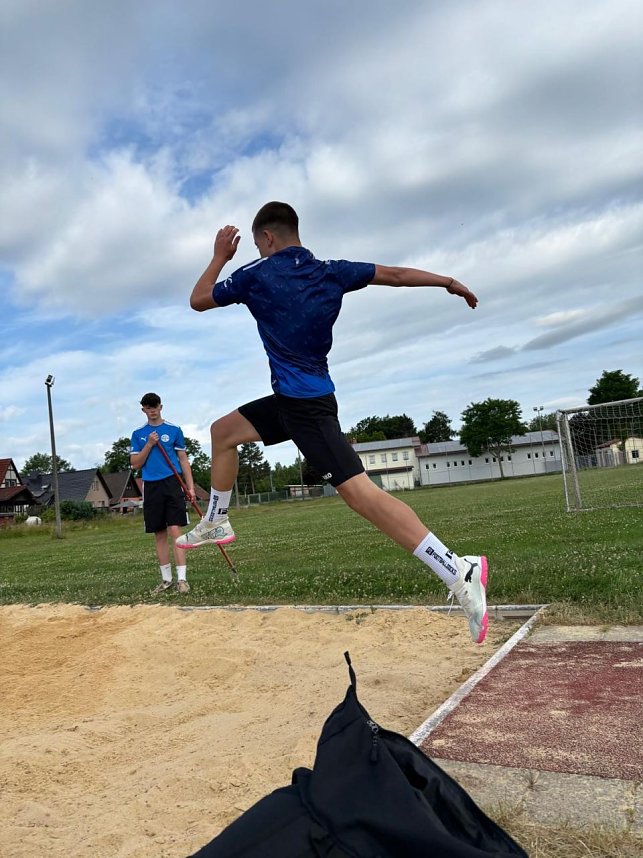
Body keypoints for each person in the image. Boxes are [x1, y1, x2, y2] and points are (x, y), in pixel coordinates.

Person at [176, 202, 488, 643]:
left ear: (266, 238)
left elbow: (198, 299)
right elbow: (396, 275)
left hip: (307, 411)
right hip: (296, 401)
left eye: (259, 244)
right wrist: (448, 282)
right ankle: (217, 520)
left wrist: (219, 257)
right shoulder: (331, 271)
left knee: (362, 496)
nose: (259, 251)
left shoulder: (256, 275)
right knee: (223, 432)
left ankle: (457, 569)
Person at [131, 392, 196, 595]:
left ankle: (182, 580)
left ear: (161, 407)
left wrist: (190, 487)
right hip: (151, 485)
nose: (152, 411)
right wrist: (149, 444)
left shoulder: (174, 430)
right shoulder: (138, 434)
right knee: (159, 533)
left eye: (155, 406)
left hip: (172, 482)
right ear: (143, 410)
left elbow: (183, 460)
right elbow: (135, 464)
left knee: (176, 530)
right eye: (148, 408)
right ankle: (166, 580)